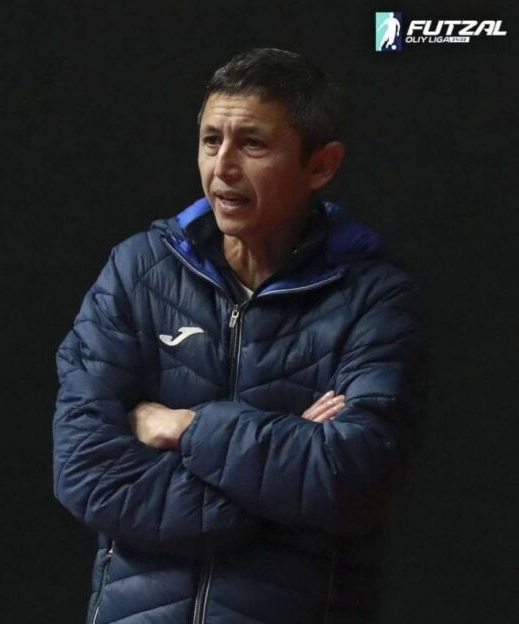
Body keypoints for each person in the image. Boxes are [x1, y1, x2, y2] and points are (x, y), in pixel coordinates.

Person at [52, 48, 426, 624]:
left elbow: (351, 479)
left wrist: (187, 427)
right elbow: (86, 472)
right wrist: (279, 479)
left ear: (320, 166)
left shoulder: (374, 299)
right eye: (210, 141)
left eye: (252, 144)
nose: (222, 167)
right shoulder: (136, 273)